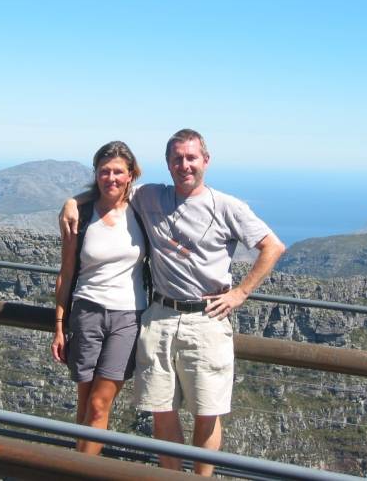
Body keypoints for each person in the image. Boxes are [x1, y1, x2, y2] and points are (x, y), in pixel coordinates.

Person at [61, 129, 285, 475]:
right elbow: (111, 187)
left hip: (206, 319)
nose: (185, 165)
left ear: (205, 161)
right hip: (159, 317)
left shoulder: (227, 206)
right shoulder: (150, 197)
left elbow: (273, 247)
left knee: (206, 414)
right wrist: (72, 202)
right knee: (161, 411)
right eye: (177, 159)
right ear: (167, 165)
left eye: (191, 157)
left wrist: (239, 293)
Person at [52, 140, 148, 455]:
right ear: (95, 174)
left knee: (98, 403)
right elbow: (66, 273)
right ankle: (79, 468)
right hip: (86, 313)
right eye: (104, 172)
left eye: (118, 172)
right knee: (84, 404)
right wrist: (59, 326)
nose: (111, 178)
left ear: (131, 174)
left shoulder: (142, 207)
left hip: (128, 317)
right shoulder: (80, 214)